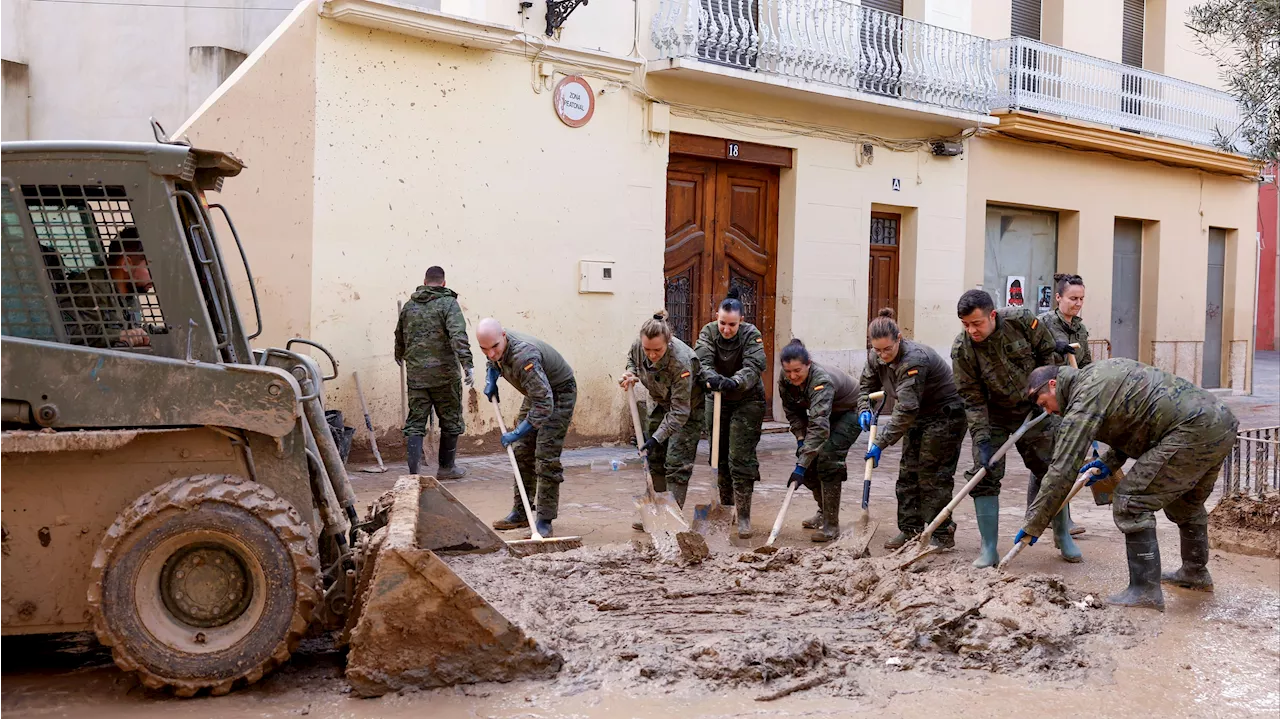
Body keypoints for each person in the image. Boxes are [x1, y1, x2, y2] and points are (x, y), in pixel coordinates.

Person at [1020, 360, 1239, 611]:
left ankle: (1144, 591)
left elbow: (1062, 469)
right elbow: (1134, 420)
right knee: (1186, 504)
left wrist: (1033, 523)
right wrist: (1108, 462)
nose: (1048, 411)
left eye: (1044, 404)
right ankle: (1195, 573)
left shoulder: (1082, 401)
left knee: (1131, 501)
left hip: (1190, 429)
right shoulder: (1097, 375)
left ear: (1053, 385)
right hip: (1219, 423)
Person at [951, 288, 1079, 567]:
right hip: (994, 415)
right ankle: (988, 549)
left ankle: (1062, 534)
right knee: (983, 474)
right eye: (966, 324)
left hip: (1035, 407)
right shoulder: (962, 350)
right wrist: (982, 440)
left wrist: (1044, 395)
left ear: (992, 315)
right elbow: (971, 400)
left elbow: (1048, 354)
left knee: (1051, 469)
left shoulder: (1021, 321)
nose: (972, 330)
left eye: (977, 323)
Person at [859, 309, 967, 550]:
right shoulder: (875, 356)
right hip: (918, 414)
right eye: (877, 350)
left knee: (933, 473)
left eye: (887, 349)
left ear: (899, 338)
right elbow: (866, 385)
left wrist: (880, 443)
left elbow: (906, 409)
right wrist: (863, 409)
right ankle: (910, 530)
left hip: (945, 414)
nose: (882, 355)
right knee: (908, 471)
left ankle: (941, 532)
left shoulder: (914, 360)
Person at [478, 318, 576, 538]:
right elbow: (492, 360)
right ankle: (521, 512)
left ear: (503, 335)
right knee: (521, 451)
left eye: (494, 347)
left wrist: (517, 432)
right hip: (537, 393)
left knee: (545, 455)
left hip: (559, 393)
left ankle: (544, 520)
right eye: (484, 349)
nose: (491, 353)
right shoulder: (494, 346)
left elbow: (545, 405)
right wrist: (491, 375)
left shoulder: (524, 356)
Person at [620, 311, 704, 529]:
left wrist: (656, 437)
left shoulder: (681, 362)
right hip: (658, 401)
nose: (651, 355)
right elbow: (631, 358)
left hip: (687, 409)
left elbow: (679, 412)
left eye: (657, 350)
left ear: (668, 342)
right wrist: (631, 373)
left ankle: (671, 517)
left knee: (677, 463)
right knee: (653, 458)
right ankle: (655, 511)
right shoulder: (640, 346)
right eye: (647, 350)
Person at [695, 287, 766, 539]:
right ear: (717, 317)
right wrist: (713, 379)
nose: (726, 329)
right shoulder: (708, 332)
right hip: (717, 398)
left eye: (732, 325)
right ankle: (726, 509)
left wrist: (735, 382)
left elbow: (755, 364)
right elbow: (700, 361)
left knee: (740, 457)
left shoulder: (751, 334)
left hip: (747, 400)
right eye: (722, 323)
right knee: (718, 455)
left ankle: (744, 515)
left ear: (741, 321)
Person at [777, 339, 861, 542]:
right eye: (788, 371)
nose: (793, 376)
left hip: (851, 411)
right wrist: (800, 440)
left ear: (809, 364)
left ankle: (831, 526)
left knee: (828, 458)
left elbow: (819, 428)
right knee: (808, 460)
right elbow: (793, 412)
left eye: (798, 370)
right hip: (824, 414)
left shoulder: (821, 381)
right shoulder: (786, 379)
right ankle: (824, 512)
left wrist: (800, 466)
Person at [394, 265, 474, 478]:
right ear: (444, 283)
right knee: (451, 419)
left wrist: (399, 355)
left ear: (425, 280)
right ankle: (447, 469)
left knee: (415, 421)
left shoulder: (409, 306)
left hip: (417, 376)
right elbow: (458, 335)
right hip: (445, 377)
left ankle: (413, 473)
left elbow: (399, 336)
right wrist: (468, 364)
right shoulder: (449, 304)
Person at [1039, 272, 1092, 538]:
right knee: (1048, 459)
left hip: (1073, 400)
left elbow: (1085, 364)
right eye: (1073, 298)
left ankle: (1059, 514)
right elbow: (1031, 356)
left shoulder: (1080, 328)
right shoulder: (1043, 323)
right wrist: (1053, 348)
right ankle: (1040, 514)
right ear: (1058, 297)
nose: (1077, 303)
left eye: (1081, 298)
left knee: (1068, 458)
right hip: (1048, 400)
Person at [60, 228, 155, 348]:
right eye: (150, 267)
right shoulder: (90, 289)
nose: (155, 277)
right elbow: (67, 334)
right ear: (126, 264)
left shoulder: (128, 294)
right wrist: (118, 336)